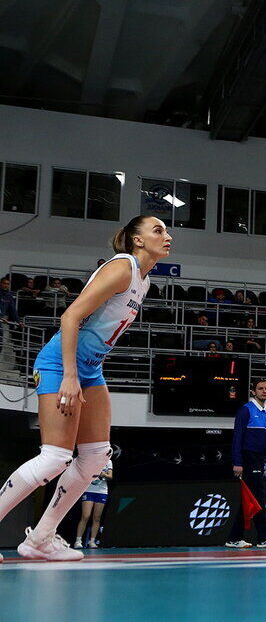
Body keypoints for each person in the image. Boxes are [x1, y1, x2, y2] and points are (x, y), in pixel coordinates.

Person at [0, 216, 169, 561]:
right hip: (60, 365)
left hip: (90, 369)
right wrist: (69, 375)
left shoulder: (144, 280)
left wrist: (82, 372)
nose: (167, 235)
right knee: (54, 458)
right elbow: (70, 317)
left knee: (95, 458)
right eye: (158, 230)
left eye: (166, 230)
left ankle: (41, 539)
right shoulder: (122, 268)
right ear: (137, 240)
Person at [227, 379, 266, 549]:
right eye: (260, 388)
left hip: (259, 459)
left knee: (251, 499)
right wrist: (238, 462)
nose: (264, 391)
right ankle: (264, 537)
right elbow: (237, 437)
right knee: (257, 496)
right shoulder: (246, 410)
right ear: (253, 392)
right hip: (248, 458)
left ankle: (235, 537)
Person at [72, 454, 112, 549]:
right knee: (85, 516)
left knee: (97, 517)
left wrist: (103, 475)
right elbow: (83, 474)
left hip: (102, 491)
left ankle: (92, 541)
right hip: (89, 490)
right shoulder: (90, 459)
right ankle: (78, 541)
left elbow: (110, 476)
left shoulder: (108, 461)